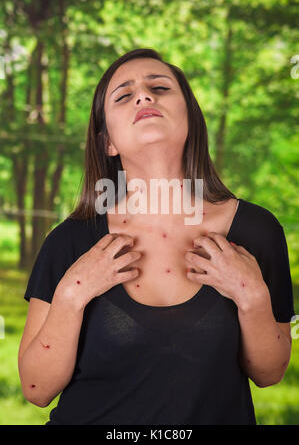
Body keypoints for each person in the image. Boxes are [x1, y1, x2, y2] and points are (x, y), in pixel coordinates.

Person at [18, 48, 295, 425]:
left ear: (190, 120)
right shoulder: (70, 240)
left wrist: (253, 297)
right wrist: (72, 293)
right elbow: (36, 389)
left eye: (159, 88)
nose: (144, 97)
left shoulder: (257, 230)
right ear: (107, 143)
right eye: (124, 95)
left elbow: (269, 373)